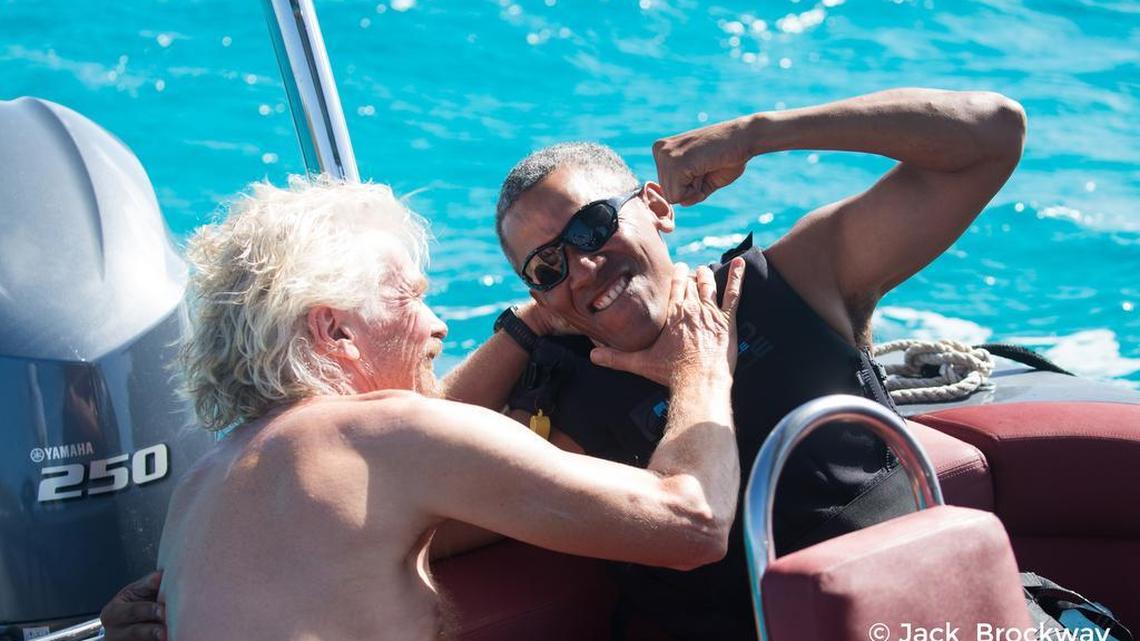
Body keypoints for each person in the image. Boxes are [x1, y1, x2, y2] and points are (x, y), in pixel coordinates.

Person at [104, 87, 1026, 640]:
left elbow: (991, 137)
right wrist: (534, 330)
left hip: (931, 615)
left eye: (592, 226)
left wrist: (759, 133)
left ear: (656, 208)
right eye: (546, 268)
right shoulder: (555, 394)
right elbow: (400, 494)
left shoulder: (793, 282)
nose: (582, 267)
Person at [140, 176, 746, 641]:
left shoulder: (198, 491)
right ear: (336, 331)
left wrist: (535, 320)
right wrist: (701, 366)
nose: (438, 325)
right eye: (409, 298)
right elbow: (692, 522)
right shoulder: (383, 436)